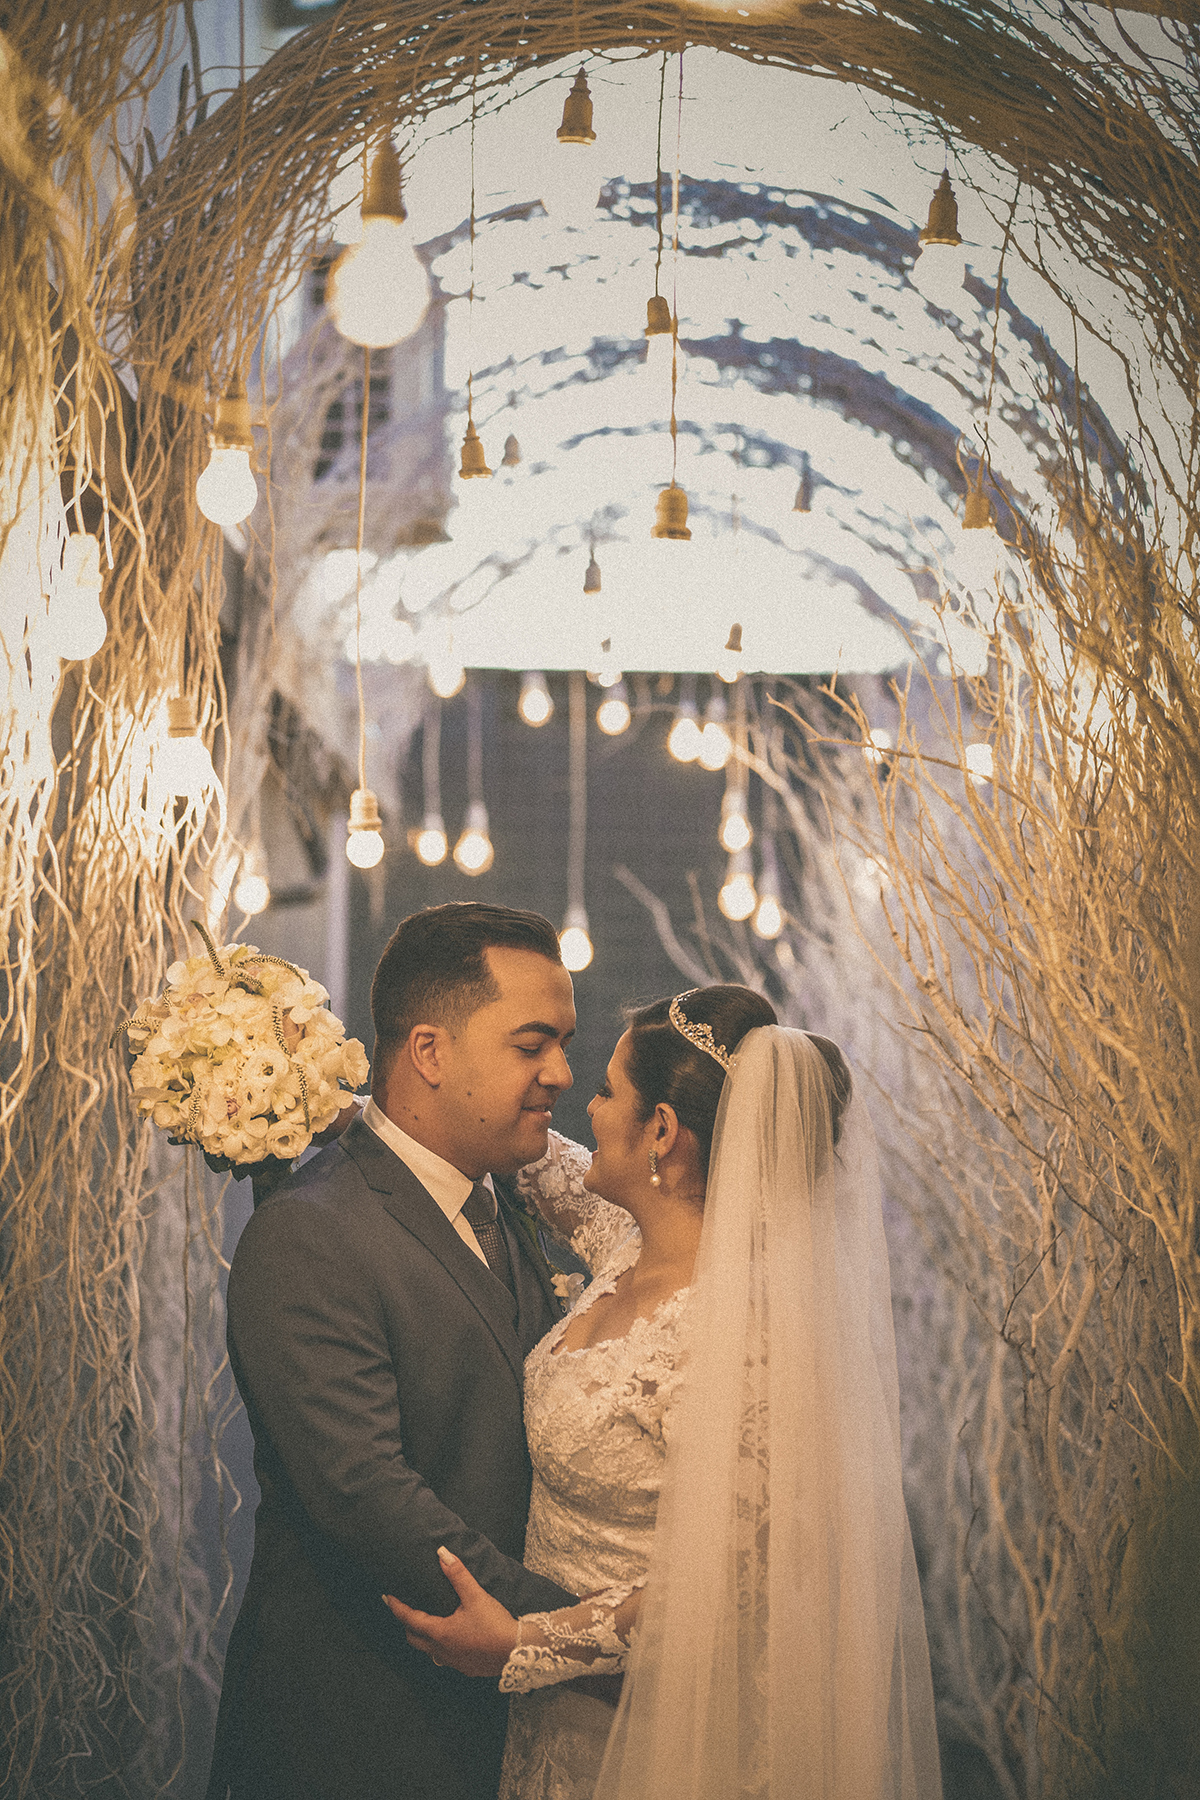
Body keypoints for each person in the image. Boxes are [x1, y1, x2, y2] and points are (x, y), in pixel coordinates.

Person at [386, 986, 943, 1800]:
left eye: (606, 1091)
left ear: (662, 1131)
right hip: (551, 1727)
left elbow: (733, 1591)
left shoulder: (746, 1331)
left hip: (661, 1740)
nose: (584, 1104)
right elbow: (528, 1151)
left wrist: (524, 1643)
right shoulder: (624, 1239)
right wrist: (325, 1096)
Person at [206, 903, 591, 1800]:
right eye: (531, 1045)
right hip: (358, 1736)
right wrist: (587, 1636)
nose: (561, 1073)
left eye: (564, 1045)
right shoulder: (310, 1232)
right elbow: (368, 1497)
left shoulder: (508, 1200)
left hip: (496, 1733)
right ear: (429, 1052)